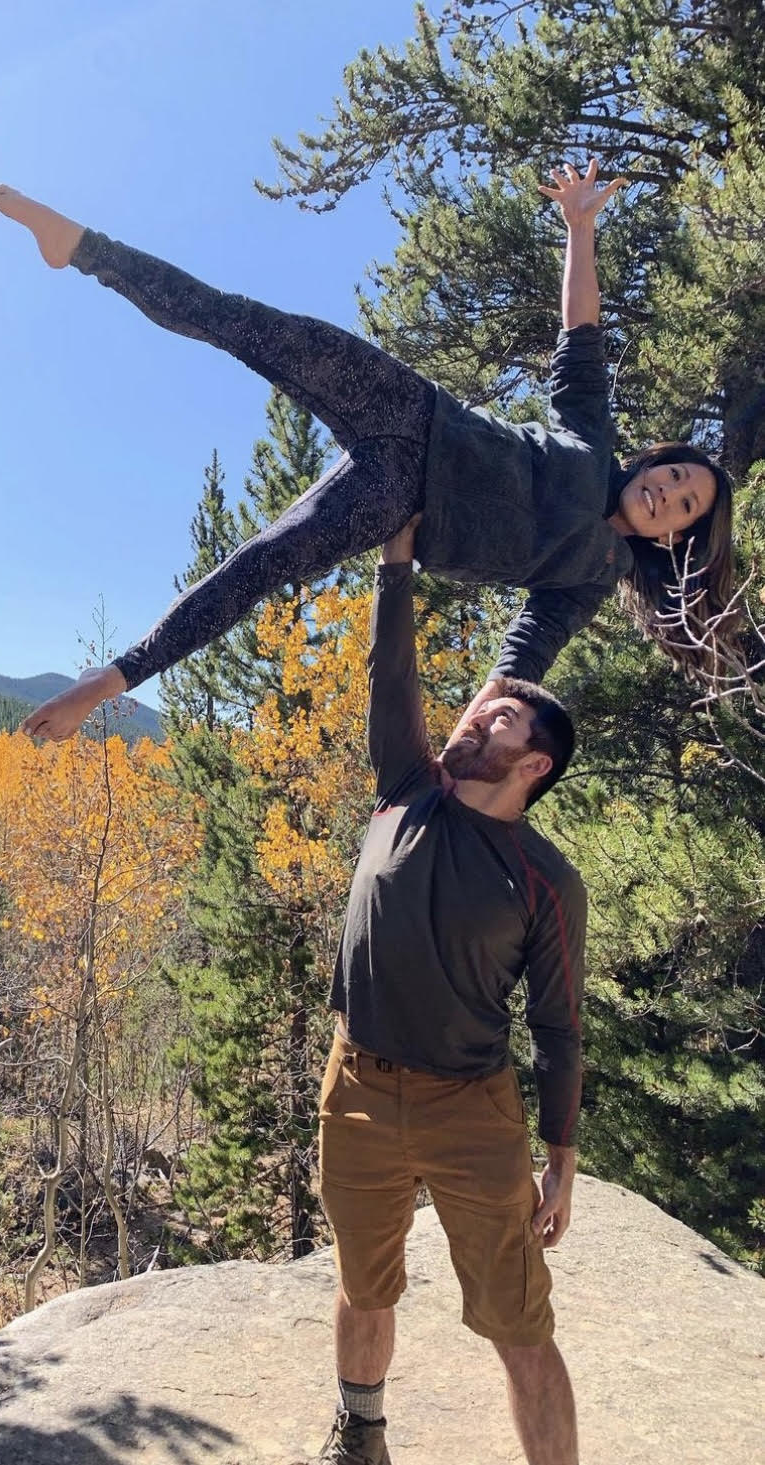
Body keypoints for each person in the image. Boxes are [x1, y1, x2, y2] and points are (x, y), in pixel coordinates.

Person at [0, 162, 736, 743]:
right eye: (672, 473)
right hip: (410, 406)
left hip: (396, 500)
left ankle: (104, 682)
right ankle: (79, 247)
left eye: (685, 502)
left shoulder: (592, 574)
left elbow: (522, 656)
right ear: (649, 462)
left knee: (261, 563)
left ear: (679, 531)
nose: (669, 490)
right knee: (245, 323)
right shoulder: (591, 443)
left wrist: (465, 739)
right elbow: (582, 336)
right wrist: (578, 228)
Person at [302, 512, 584, 1465]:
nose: (475, 716)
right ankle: (361, 1433)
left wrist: (562, 1154)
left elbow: (557, 1025)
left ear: (533, 763)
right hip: (357, 1088)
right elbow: (393, 676)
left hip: (473, 1109)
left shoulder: (545, 877)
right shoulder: (402, 786)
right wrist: (395, 558)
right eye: (476, 709)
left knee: (517, 1321)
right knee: (364, 1284)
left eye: (499, 718)